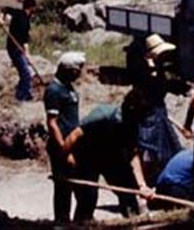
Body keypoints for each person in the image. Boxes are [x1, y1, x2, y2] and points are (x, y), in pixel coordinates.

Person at [61, 88, 155, 221]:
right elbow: (74, 135)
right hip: (86, 156)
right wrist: (66, 157)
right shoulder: (104, 114)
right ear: (132, 109)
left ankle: (132, 221)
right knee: (88, 198)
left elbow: (132, 154)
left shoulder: (132, 125)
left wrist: (142, 185)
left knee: (128, 193)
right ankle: (82, 224)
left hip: (111, 157)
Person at [132, 34, 187, 185]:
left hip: (160, 112)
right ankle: (147, 183)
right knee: (149, 151)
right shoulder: (146, 71)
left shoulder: (160, 68)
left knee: (169, 148)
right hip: (148, 115)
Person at [45, 51, 85, 223]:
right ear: (68, 70)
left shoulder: (68, 87)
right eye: (78, 70)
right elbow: (52, 123)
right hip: (62, 146)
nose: (80, 73)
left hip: (74, 143)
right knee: (63, 188)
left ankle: (79, 222)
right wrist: (64, 150)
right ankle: (62, 223)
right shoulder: (54, 90)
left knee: (82, 188)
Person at [0, 0, 37, 102]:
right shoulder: (18, 14)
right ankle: (21, 97)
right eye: (34, 8)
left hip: (20, 48)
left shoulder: (27, 21)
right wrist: (1, 19)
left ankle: (26, 94)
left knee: (25, 72)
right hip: (13, 48)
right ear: (31, 7)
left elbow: (25, 39)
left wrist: (27, 54)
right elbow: (4, 9)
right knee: (26, 73)